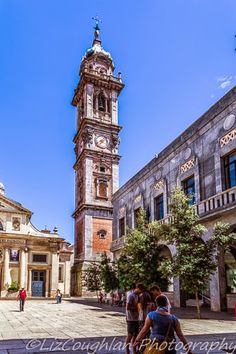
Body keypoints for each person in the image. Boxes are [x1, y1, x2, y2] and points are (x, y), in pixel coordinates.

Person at [125, 283, 143, 354]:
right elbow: (127, 307)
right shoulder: (131, 295)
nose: (141, 292)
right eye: (141, 290)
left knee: (135, 335)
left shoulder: (138, 295)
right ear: (137, 288)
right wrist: (137, 308)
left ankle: (134, 350)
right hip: (130, 318)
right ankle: (127, 351)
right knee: (130, 335)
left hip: (136, 318)